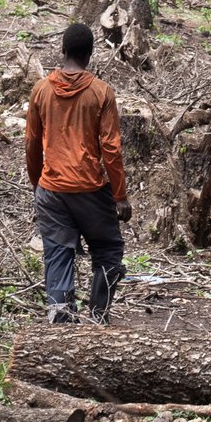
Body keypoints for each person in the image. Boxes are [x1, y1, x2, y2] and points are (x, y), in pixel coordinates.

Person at [25, 20, 128, 324]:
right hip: (90, 190)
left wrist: (38, 185)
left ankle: (61, 320)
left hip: (51, 189)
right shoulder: (101, 92)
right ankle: (98, 318)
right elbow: (111, 149)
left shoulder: (41, 90)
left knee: (58, 253)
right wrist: (120, 196)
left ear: (63, 50)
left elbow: (31, 143)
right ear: (89, 54)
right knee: (108, 250)